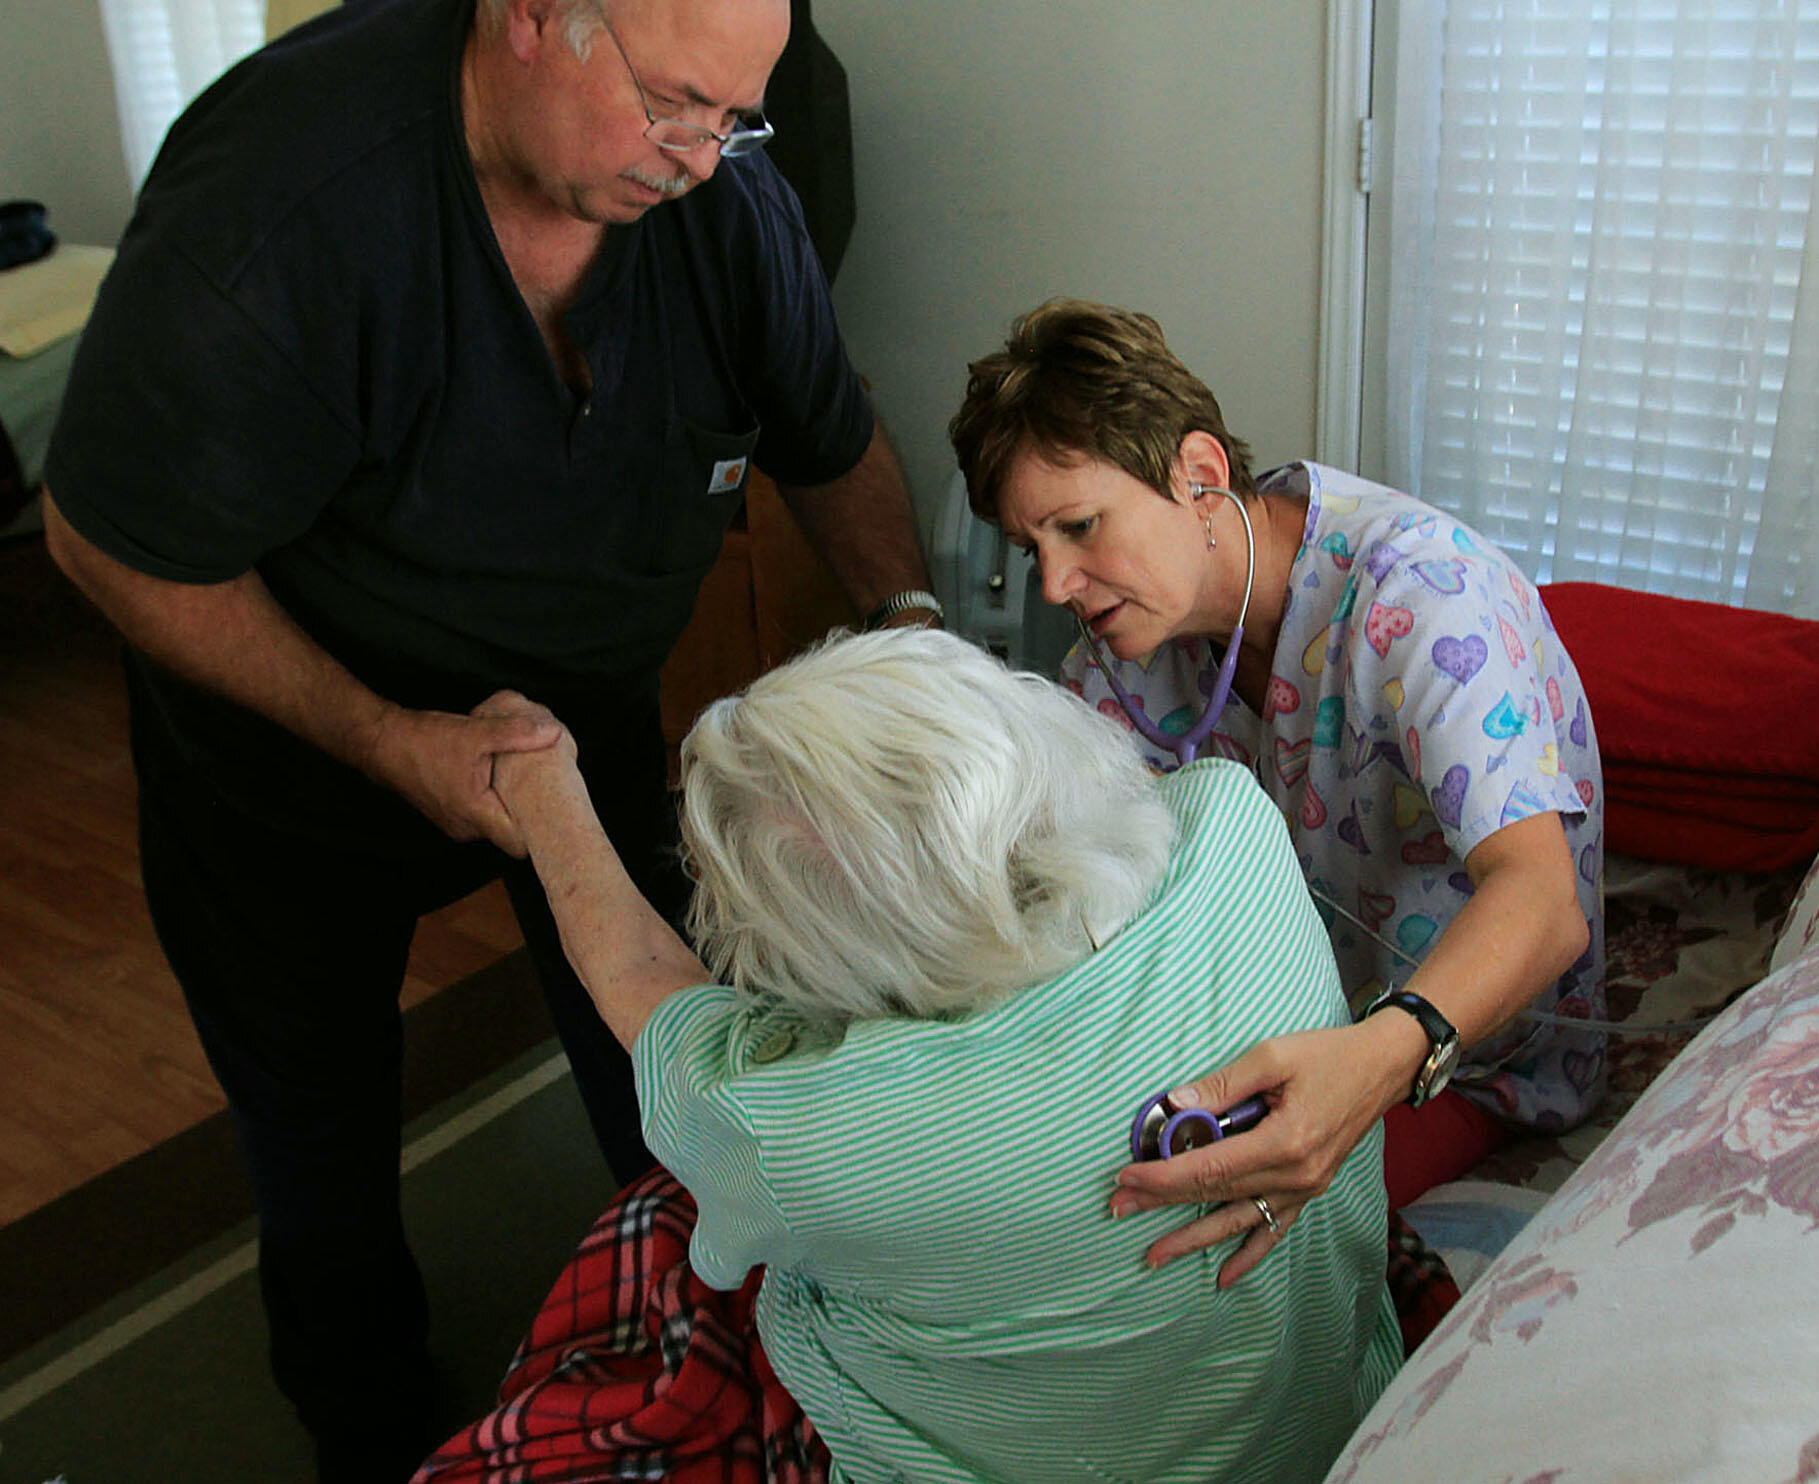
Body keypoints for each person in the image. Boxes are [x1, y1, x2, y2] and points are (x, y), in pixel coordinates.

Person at [38, 0, 938, 1475]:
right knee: (320, 1155)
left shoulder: (721, 205)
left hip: (573, 723)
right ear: (532, 16)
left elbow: (827, 439)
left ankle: (702, 1366)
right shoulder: (287, 204)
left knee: (672, 1075)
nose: (706, 158)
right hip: (289, 766)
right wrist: (390, 737)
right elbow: (106, 541)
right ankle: (374, 1427)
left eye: (736, 115)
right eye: (673, 106)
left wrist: (912, 631)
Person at [423, 626, 1401, 1484]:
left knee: (640, 1249)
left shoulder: (807, 1130)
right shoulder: (1234, 824)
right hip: (1343, 1422)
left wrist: (540, 778)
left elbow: (638, 975)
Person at [948, 298, 1605, 1276]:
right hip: (1273, 1017)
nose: (1053, 585)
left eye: (1079, 527)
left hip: (1457, 1054)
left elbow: (1543, 903)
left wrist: (1380, 1055)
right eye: (1030, 547)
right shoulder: (1127, 652)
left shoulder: (1420, 599)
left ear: (1199, 474)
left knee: (1167, 1249)